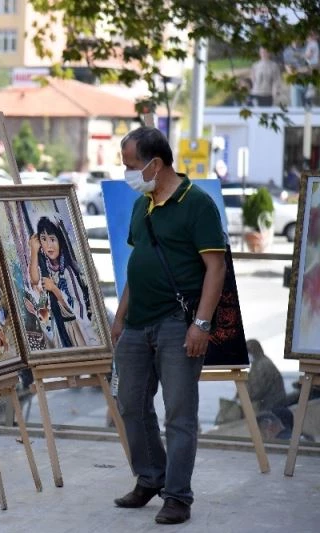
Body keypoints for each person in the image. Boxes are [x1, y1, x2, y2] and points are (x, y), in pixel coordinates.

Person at [112, 127, 226, 525]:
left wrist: (201, 324)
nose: (127, 173)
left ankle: (177, 496)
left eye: (131, 165)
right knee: (130, 403)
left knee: (179, 413)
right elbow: (137, 263)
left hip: (178, 323)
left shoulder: (198, 205)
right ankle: (150, 477)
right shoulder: (141, 205)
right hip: (137, 324)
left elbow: (216, 269)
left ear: (155, 164)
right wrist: (120, 316)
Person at [28, 215, 96, 348]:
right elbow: (35, 279)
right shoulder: (46, 266)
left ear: (60, 241)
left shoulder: (68, 271)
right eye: (44, 239)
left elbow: (75, 308)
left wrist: (54, 288)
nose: (49, 245)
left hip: (75, 328)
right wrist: (34, 251)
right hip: (58, 327)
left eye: (52, 239)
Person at [283, 39, 307, 107]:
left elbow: (311, 68)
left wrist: (296, 70)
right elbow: (289, 70)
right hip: (295, 83)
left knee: (308, 109)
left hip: (307, 83)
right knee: (296, 108)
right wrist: (300, 70)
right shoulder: (287, 51)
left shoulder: (307, 49)